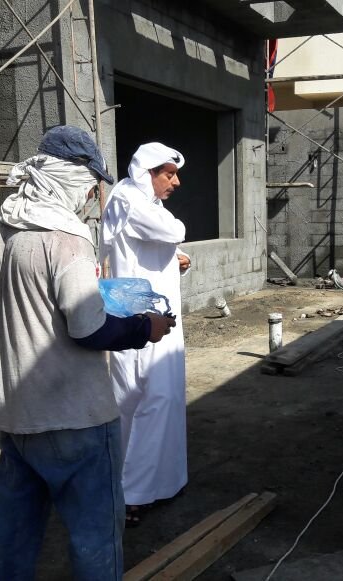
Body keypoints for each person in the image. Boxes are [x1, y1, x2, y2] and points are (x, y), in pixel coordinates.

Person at [0, 125, 175, 580]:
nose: (89, 196)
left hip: (15, 415)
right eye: (88, 184)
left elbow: (25, 304)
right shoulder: (66, 235)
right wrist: (145, 327)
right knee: (95, 538)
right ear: (69, 176)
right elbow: (87, 328)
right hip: (75, 416)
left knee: (13, 537)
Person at [100, 143, 191, 525]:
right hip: (141, 315)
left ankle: (157, 483)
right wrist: (176, 242)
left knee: (151, 400)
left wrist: (178, 259)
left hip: (147, 310)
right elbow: (173, 230)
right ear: (146, 173)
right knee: (152, 400)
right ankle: (133, 493)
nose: (176, 182)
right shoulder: (129, 200)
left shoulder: (141, 203)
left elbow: (162, 245)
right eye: (168, 174)